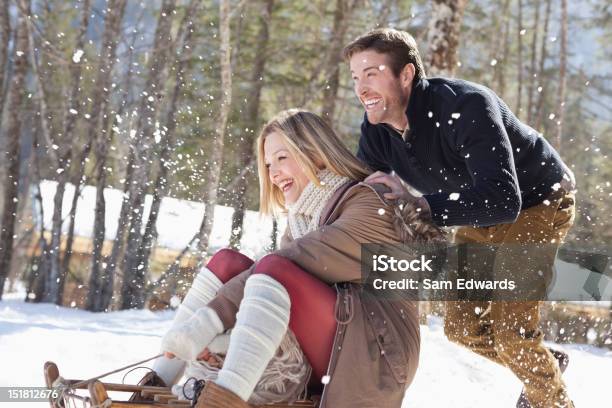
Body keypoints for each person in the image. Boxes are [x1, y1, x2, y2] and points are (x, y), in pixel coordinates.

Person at [145, 109, 444, 408]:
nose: (273, 174)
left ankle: (226, 399)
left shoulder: (370, 202)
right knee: (227, 263)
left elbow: (290, 266)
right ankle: (156, 381)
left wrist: (206, 323)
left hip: (376, 356)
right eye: (268, 164)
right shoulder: (302, 221)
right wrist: (219, 341)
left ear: (315, 153)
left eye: (282, 158)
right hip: (328, 345)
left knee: (273, 269)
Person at [343, 28, 576, 408]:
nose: (361, 88)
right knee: (463, 329)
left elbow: (504, 199)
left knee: (513, 334)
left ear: (406, 75)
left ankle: (550, 398)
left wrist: (423, 206)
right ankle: (542, 365)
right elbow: (363, 193)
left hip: (540, 200)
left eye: (372, 73)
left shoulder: (466, 106)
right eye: (355, 77)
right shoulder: (376, 130)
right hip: (477, 208)